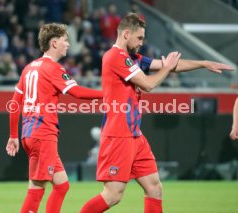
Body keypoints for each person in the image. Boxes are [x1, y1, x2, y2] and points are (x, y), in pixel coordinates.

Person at [80, 12, 234, 213]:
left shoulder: (132, 58)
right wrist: (167, 68)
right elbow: (148, 83)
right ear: (126, 34)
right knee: (113, 195)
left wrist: (203, 64)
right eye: (140, 38)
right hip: (118, 135)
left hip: (135, 135)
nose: (142, 43)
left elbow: (167, 66)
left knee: (154, 188)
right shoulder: (115, 57)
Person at [6, 23, 103, 213]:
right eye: (65, 40)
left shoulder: (29, 68)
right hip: (43, 135)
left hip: (31, 134)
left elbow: (14, 103)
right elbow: (77, 92)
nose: (68, 44)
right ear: (54, 42)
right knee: (36, 191)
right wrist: (108, 94)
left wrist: (13, 135)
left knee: (62, 185)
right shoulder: (53, 68)